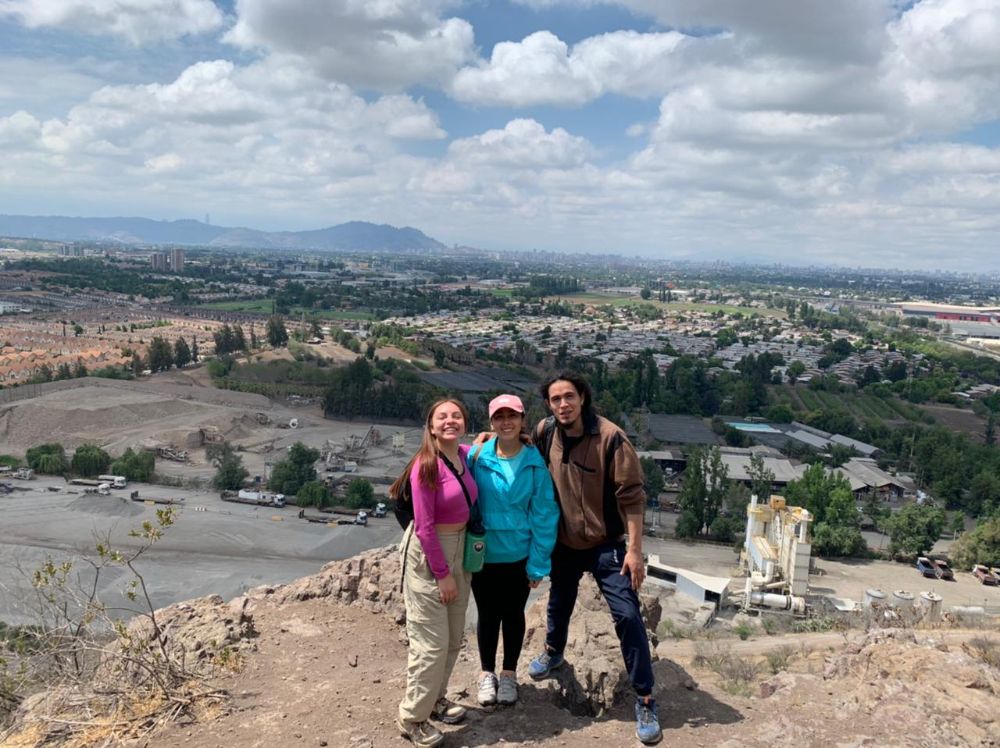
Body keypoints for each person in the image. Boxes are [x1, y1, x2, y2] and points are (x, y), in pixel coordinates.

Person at [526, 372, 661, 745]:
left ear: (582, 397)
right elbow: (519, 449)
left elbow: (632, 497)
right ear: (549, 405)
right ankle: (554, 652)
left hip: (606, 543)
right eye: (556, 399)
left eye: (569, 396)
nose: (563, 404)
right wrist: (487, 440)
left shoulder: (611, 438)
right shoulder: (545, 432)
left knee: (628, 615)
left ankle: (645, 697)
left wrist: (635, 551)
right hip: (565, 541)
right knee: (559, 600)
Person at [392, 398, 478, 748]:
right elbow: (425, 527)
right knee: (431, 645)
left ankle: (436, 699)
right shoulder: (426, 465)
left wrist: (492, 438)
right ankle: (412, 717)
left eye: (456, 416)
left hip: (461, 549)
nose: (449, 421)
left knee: (454, 637)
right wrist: (442, 574)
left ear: (464, 423)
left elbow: (485, 447)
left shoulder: (464, 456)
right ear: (431, 427)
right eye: (442, 417)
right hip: (430, 555)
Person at [468, 394, 559, 708]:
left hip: (519, 556)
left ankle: (508, 674)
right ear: (491, 422)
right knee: (487, 614)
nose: (506, 422)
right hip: (483, 554)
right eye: (499, 417)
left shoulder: (534, 463)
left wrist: (538, 563)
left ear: (522, 420)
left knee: (512, 615)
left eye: (512, 416)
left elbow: (544, 514)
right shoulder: (477, 455)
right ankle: (486, 674)